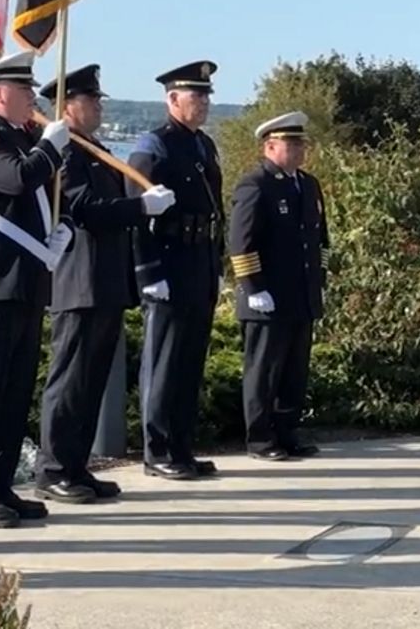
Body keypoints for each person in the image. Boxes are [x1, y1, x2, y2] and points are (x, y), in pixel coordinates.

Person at [35, 64, 176, 503]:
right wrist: (140, 210)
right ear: (66, 106)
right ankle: (54, 468)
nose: (98, 105)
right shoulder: (65, 152)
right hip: (79, 279)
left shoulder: (92, 148)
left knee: (92, 380)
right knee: (71, 379)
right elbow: (85, 209)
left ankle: (77, 465)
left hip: (106, 278)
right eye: (90, 99)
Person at [0, 51, 73, 528]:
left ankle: (1, 485)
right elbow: (17, 179)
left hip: (25, 280)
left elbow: (41, 198)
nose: (32, 98)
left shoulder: (20, 137)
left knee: (12, 392)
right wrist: (50, 149)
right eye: (24, 91)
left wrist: (59, 227)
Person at [125, 60, 224, 481]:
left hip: (198, 259)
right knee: (164, 361)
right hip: (168, 260)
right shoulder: (155, 146)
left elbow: (215, 211)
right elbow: (138, 215)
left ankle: (181, 445)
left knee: (189, 362)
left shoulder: (203, 145)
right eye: (195, 96)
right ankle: (158, 449)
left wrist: (216, 263)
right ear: (172, 99)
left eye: (205, 96)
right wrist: (148, 270)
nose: (202, 103)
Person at [228, 111, 328, 461]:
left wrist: (320, 281)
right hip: (268, 297)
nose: (300, 150)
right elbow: (241, 242)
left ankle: (288, 432)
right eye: (292, 144)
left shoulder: (308, 184)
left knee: (294, 371)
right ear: (271, 146)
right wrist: (253, 287)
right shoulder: (256, 184)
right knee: (264, 372)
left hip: (301, 294)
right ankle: (260, 438)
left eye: (302, 143)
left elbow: (319, 242)